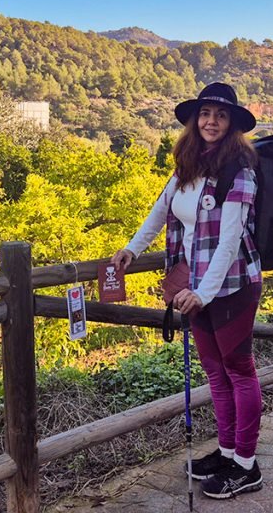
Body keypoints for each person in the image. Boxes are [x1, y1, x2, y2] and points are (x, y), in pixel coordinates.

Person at [111, 82, 264, 500]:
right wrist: (132, 249)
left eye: (221, 115)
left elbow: (230, 241)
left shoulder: (239, 171)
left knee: (238, 370)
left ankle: (246, 465)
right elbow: (160, 212)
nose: (211, 122)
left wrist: (203, 293)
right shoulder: (187, 167)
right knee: (215, 372)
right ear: (195, 121)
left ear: (231, 124)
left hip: (232, 285)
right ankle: (227, 452)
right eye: (205, 114)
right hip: (196, 286)